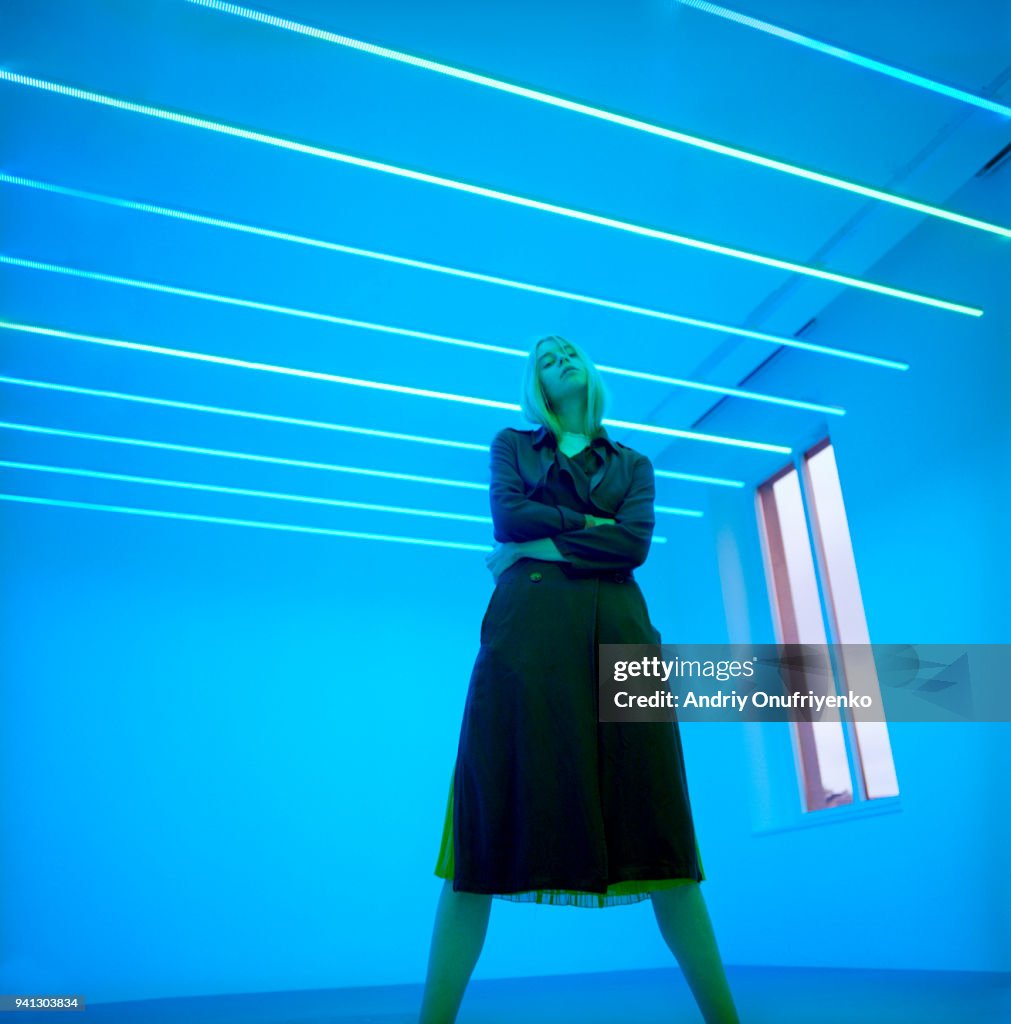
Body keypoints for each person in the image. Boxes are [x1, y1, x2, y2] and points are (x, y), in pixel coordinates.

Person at [418, 335, 740, 1024]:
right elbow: (508, 516)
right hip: (522, 650)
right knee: (483, 831)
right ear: (535, 384)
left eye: (569, 351)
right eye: (544, 357)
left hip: (622, 643)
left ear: (590, 372)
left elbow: (633, 545)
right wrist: (584, 524)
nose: (558, 356)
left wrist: (536, 543)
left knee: (661, 833)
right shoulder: (511, 444)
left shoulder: (634, 463)